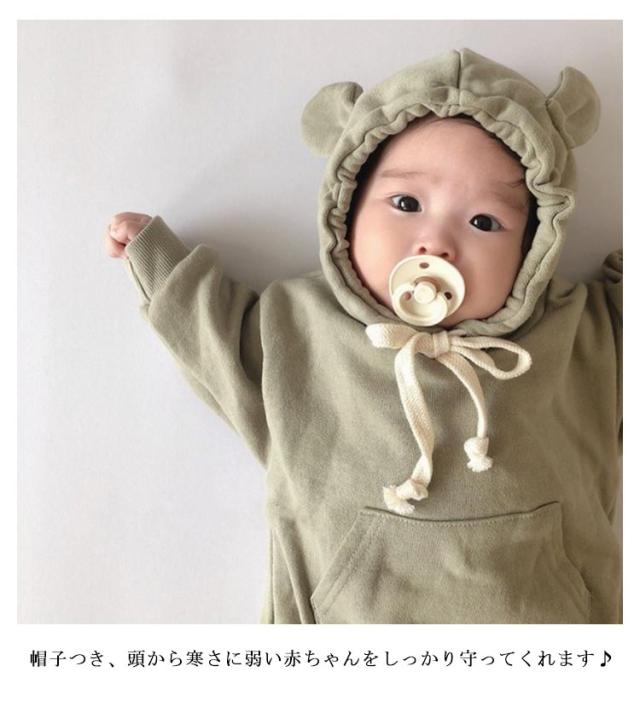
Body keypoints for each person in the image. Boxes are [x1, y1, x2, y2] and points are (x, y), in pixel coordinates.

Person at [104, 47, 622, 624]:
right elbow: (215, 343)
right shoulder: (300, 329)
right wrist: (158, 261)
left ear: (535, 246)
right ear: (346, 214)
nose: (436, 242)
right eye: (406, 203)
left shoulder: (581, 335)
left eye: (484, 221)